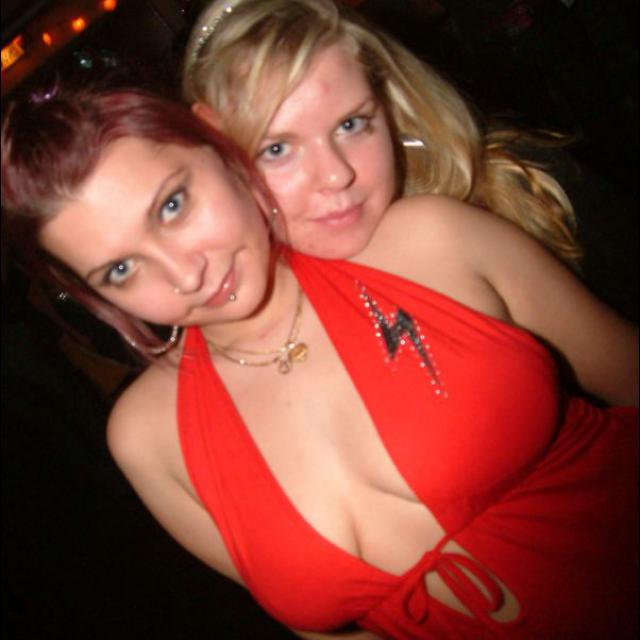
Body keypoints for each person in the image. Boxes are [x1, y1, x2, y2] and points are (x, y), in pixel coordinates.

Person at [2, 77, 637, 640]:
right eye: (120, 269)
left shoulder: (425, 245)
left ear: (219, 147)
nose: (185, 274)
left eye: (173, 205)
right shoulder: (147, 437)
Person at [182, 0, 580, 265]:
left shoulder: (520, 189)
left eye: (350, 125)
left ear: (386, 104)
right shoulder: (258, 321)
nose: (336, 175)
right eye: (277, 149)